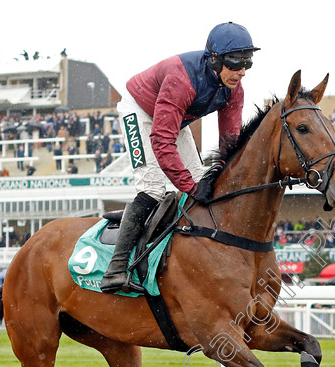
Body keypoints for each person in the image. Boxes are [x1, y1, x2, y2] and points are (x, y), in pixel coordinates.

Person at [100, 21, 259, 294]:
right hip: (139, 110)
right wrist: (190, 186)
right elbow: (162, 141)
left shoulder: (235, 88)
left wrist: (220, 176)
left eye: (247, 63)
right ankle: (115, 270)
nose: (241, 72)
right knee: (153, 188)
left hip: (175, 118)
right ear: (214, 60)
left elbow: (230, 142)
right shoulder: (181, 79)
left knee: (201, 182)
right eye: (235, 63)